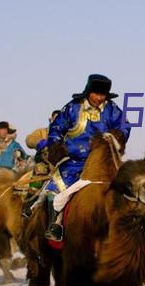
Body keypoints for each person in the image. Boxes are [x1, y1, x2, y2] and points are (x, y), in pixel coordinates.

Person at [43, 74, 130, 241]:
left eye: (102, 94)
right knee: (52, 190)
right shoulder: (72, 108)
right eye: (96, 93)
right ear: (88, 92)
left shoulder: (113, 109)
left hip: (104, 162)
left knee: (129, 191)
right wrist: (55, 145)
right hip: (75, 162)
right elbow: (56, 128)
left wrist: (116, 134)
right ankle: (56, 224)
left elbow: (124, 126)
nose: (99, 98)